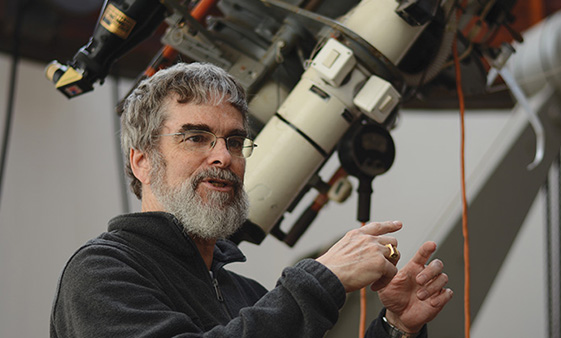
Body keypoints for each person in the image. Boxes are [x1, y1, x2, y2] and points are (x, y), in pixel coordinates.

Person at [50, 62, 452, 337]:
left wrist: (398, 326)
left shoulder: (250, 296)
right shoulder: (101, 271)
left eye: (235, 141)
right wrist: (319, 280)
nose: (224, 156)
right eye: (196, 137)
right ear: (142, 162)